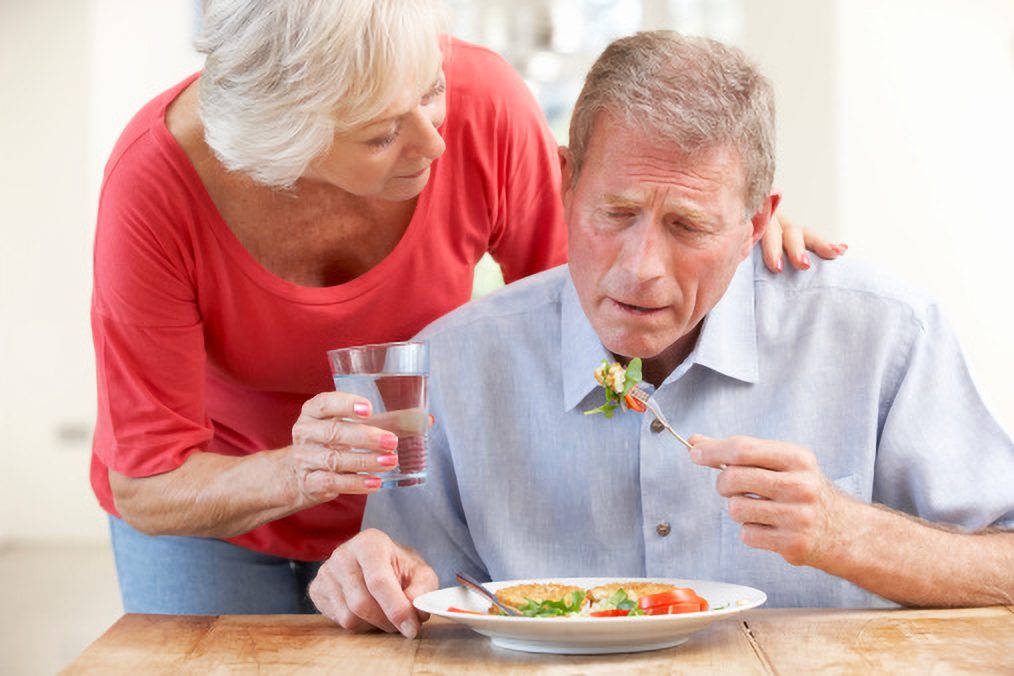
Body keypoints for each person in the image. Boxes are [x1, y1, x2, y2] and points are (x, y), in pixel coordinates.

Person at [90, 0, 834, 614]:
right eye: (383, 133)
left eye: (429, 90)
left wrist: (729, 235)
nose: (434, 141)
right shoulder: (156, 189)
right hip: (217, 518)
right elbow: (147, 483)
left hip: (417, 517)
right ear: (292, 148)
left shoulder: (481, 109)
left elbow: (591, 306)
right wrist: (298, 473)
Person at [309, 30, 1014, 638]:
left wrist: (848, 533)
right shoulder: (456, 362)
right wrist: (373, 583)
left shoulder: (884, 333)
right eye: (615, 213)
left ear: (756, 223)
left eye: (689, 226)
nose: (642, 270)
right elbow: (417, 594)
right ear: (564, 184)